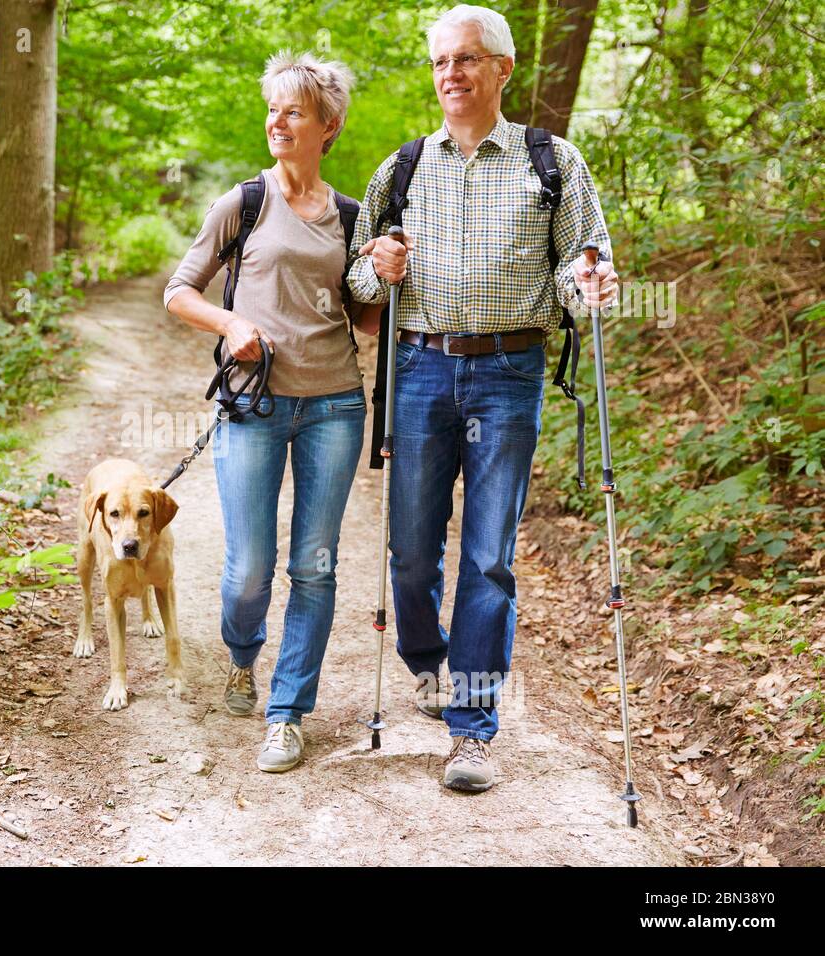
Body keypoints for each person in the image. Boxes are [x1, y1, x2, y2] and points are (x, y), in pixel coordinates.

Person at [346, 3, 619, 791]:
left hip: (509, 373)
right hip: (421, 369)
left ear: (502, 69)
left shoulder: (553, 163)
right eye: (440, 62)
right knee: (408, 552)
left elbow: (577, 267)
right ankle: (426, 662)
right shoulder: (401, 169)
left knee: (490, 558)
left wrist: (591, 282)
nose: (451, 75)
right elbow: (360, 279)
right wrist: (380, 268)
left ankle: (471, 729)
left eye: (466, 60)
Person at [164, 51, 366, 773]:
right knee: (250, 566)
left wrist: (392, 271)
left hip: (336, 406)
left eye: (293, 111)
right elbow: (178, 291)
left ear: (327, 126)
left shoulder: (350, 216)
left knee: (314, 566)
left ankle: (288, 712)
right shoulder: (243, 204)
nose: (277, 121)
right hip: (252, 404)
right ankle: (242, 656)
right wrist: (231, 328)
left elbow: (367, 319)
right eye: (273, 108)